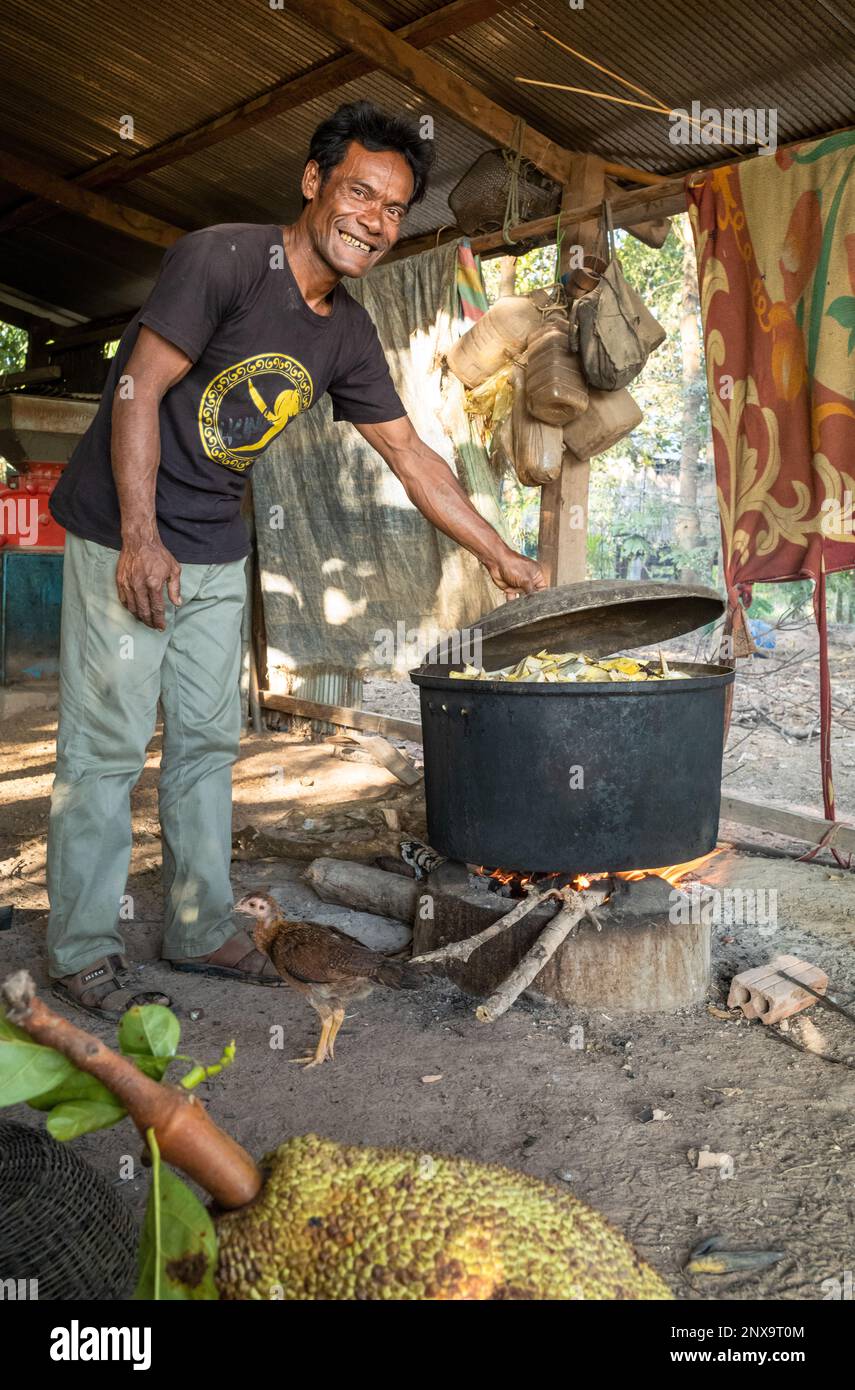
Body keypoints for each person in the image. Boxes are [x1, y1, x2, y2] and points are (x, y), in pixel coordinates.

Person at [46, 100, 545, 1020]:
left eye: (394, 208)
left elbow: (411, 456)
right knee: (106, 751)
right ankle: (80, 948)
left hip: (214, 545)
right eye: (359, 191)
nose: (375, 219)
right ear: (313, 183)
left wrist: (503, 556)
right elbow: (136, 389)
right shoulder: (223, 258)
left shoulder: (346, 331)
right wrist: (142, 537)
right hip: (124, 530)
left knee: (203, 743)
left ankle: (197, 929)